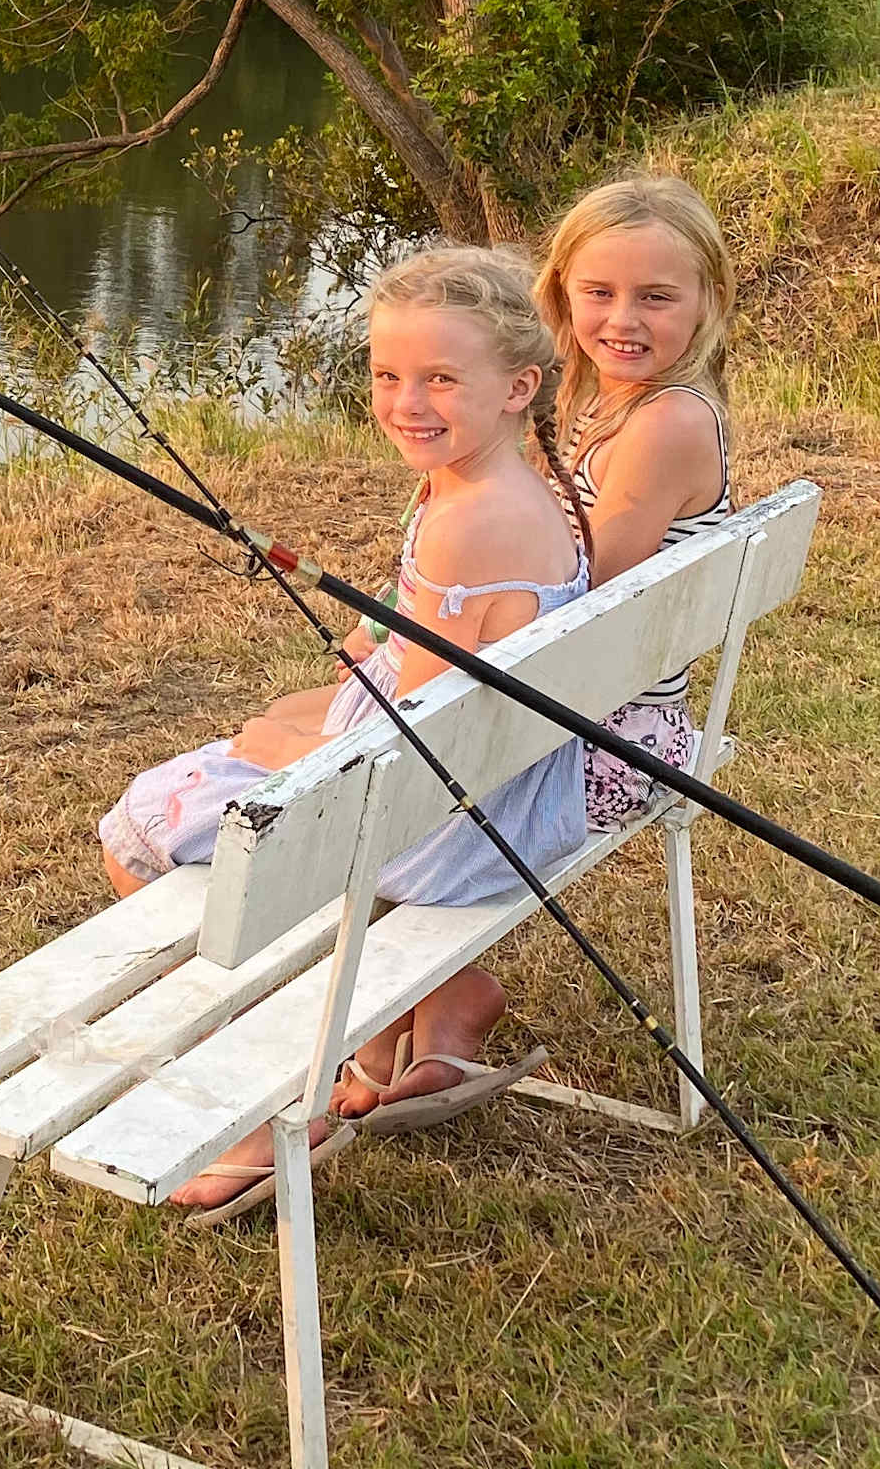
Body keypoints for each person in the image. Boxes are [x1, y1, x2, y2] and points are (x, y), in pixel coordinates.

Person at [96, 245, 588, 1211]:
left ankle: (268, 1097)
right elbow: (427, 670)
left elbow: (411, 746)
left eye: (440, 379)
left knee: (141, 829)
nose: (407, 402)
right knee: (263, 727)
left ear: (517, 388)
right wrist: (328, 692)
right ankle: (410, 1012)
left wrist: (294, 753)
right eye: (387, 374)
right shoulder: (509, 483)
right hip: (512, 787)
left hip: (444, 824)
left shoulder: (467, 520)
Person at [535, 175, 739, 830]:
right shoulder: (601, 397)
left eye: (656, 297)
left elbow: (582, 588)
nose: (623, 319)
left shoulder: (667, 422)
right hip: (563, 704)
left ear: (708, 300)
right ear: (563, 291)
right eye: (599, 292)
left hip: (604, 747)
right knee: (294, 724)